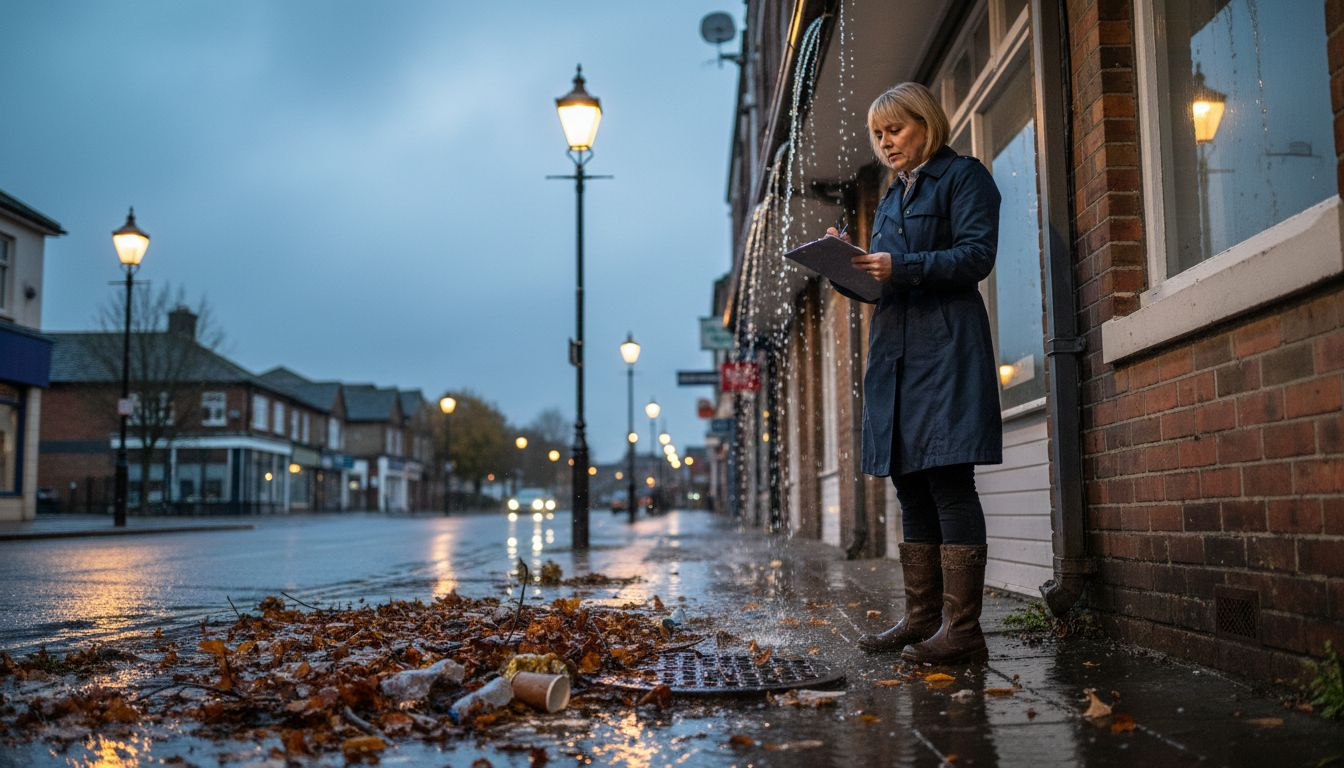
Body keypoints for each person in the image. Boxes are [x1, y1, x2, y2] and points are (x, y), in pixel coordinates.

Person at [826, 82, 1002, 664]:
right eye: (878, 134)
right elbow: (881, 286)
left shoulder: (964, 177)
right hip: (895, 358)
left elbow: (976, 255)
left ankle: (963, 631)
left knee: (949, 481)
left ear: (926, 124)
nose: (885, 142)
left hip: (945, 351)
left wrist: (901, 265)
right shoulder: (891, 199)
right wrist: (845, 265)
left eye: (895, 129)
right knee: (909, 485)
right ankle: (923, 621)